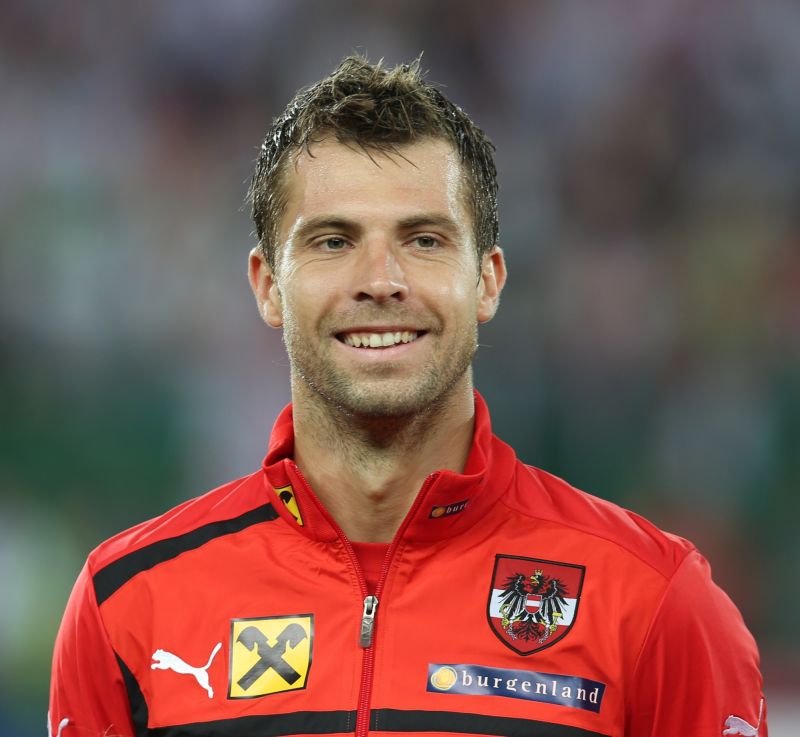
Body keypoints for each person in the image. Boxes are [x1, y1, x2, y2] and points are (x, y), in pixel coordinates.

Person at [49, 55, 767, 737]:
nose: (380, 280)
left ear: (487, 280)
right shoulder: (129, 604)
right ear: (268, 286)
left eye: (424, 240)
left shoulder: (653, 600)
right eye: (333, 241)